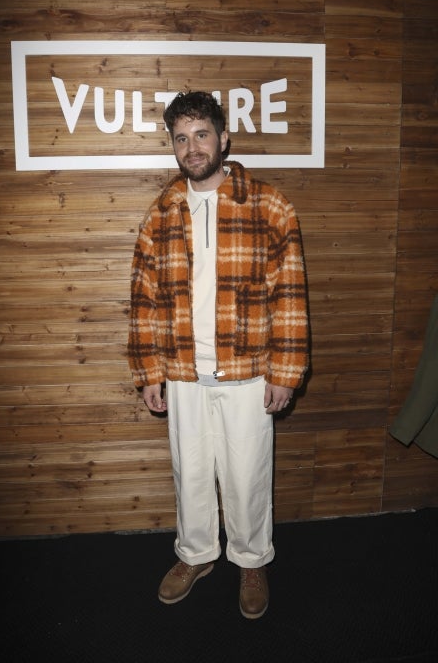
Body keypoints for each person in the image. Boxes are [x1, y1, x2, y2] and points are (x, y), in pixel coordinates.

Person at [128, 91, 309, 619]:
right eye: (181, 138)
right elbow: (143, 298)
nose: (192, 147)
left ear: (223, 138)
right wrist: (148, 371)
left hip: (249, 369)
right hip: (182, 369)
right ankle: (196, 554)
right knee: (189, 473)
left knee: (248, 474)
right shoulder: (161, 213)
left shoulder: (270, 206)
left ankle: (251, 560)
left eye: (201, 134)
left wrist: (285, 372)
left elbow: (290, 295)